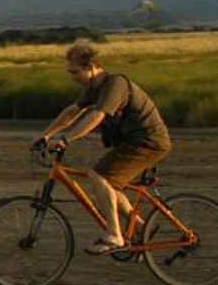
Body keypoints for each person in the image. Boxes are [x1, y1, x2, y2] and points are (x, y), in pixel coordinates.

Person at [34, 42, 172, 253]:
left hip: (148, 142)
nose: (72, 77)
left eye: (75, 72)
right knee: (110, 185)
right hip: (132, 142)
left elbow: (97, 116)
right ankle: (141, 229)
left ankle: (115, 236)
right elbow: (72, 112)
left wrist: (66, 139)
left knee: (98, 176)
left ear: (91, 67)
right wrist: (45, 135)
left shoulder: (115, 85)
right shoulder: (93, 88)